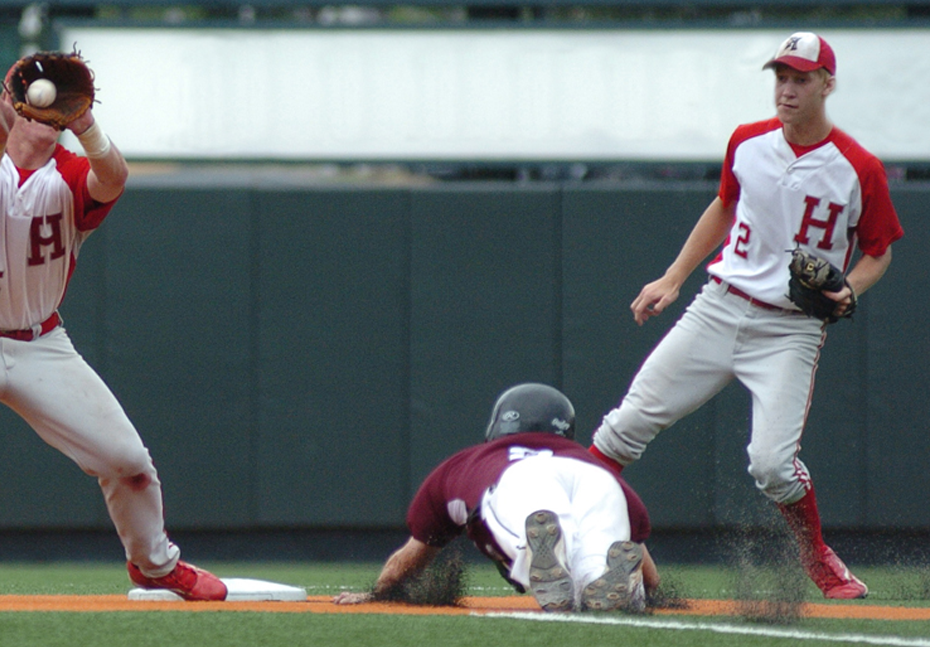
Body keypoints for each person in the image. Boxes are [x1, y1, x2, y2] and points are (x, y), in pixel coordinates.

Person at [0, 55, 226, 602]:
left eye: (55, 113)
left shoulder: (73, 173)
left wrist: (86, 127)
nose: (44, 117)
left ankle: (154, 565)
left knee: (129, 463)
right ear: (12, 105)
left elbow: (115, 179)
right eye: (34, 108)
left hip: (40, 344)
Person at [587, 32, 901, 600]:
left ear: (828, 84)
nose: (787, 88)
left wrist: (849, 290)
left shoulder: (860, 168)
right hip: (719, 307)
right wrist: (674, 277)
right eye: (780, 76)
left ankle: (819, 556)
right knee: (623, 427)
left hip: (790, 328)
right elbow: (725, 204)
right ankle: (575, 530)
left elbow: (878, 250)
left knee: (773, 466)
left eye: (801, 78)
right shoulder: (748, 141)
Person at [334, 384, 659, 612]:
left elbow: (411, 555)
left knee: (531, 529)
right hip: (598, 483)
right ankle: (608, 582)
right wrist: (648, 586)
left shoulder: (466, 462)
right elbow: (647, 567)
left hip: (517, 480)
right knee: (596, 559)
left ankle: (538, 555)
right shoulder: (589, 461)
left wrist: (381, 592)